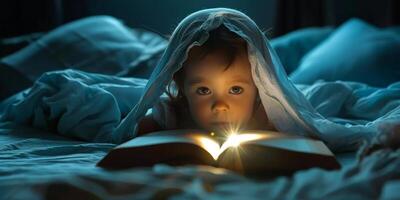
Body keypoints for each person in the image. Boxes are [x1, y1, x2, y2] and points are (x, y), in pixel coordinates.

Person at [136, 26, 276, 136]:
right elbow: (130, 132)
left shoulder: (267, 115)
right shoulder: (172, 114)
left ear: (258, 88)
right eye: (203, 90)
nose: (220, 106)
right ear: (182, 89)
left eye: (235, 89)